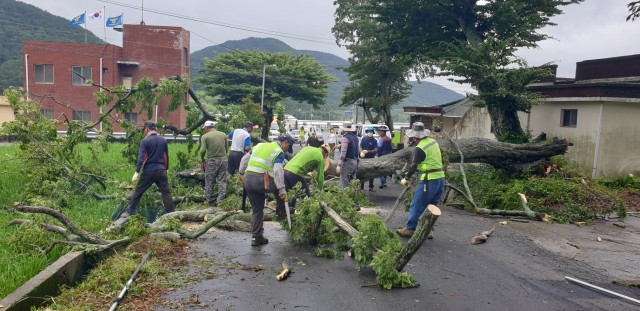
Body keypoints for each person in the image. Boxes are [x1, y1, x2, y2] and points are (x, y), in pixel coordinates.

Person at [239, 135, 291, 246]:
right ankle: (281, 211)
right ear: (285, 142)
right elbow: (278, 172)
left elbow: (244, 160)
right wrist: (282, 190)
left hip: (248, 180)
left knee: (257, 209)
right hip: (261, 182)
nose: (287, 150)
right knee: (281, 185)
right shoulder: (278, 152)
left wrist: (241, 173)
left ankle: (256, 237)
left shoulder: (259, 146)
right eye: (288, 146)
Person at [396, 122, 445, 239]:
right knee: (431, 206)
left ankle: (410, 228)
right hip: (440, 177)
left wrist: (406, 177)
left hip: (429, 179)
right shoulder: (433, 142)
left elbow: (414, 165)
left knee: (417, 204)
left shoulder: (420, 148)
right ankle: (428, 230)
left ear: (414, 136)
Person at [121, 121, 174, 218]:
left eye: (144, 130)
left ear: (147, 129)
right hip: (161, 170)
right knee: (166, 192)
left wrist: (137, 172)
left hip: (149, 170)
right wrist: (166, 169)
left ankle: (129, 211)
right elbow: (166, 156)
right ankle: (171, 213)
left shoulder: (145, 141)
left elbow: (141, 158)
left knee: (138, 191)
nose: (144, 132)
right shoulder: (163, 140)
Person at [280, 144, 330, 214]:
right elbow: (320, 177)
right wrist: (320, 191)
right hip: (295, 173)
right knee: (305, 196)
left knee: (291, 196)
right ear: (326, 154)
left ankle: (288, 217)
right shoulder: (321, 158)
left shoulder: (307, 148)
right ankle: (304, 216)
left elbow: (302, 162)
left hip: (285, 170)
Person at [200, 120, 228, 206]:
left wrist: (202, 159)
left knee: (209, 180)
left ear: (207, 127)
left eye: (205, 128)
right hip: (224, 160)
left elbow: (202, 150)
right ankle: (221, 201)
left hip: (212, 161)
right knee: (222, 181)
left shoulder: (205, 136)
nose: (204, 129)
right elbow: (226, 147)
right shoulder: (223, 134)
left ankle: (210, 200)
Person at [337, 121, 359, 189]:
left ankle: (344, 198)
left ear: (343, 129)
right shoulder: (355, 138)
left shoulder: (345, 138)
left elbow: (343, 154)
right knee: (353, 184)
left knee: (344, 184)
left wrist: (339, 165)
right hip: (355, 162)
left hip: (347, 162)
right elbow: (355, 148)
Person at [359, 126, 378, 191]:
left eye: (371, 132)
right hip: (363, 159)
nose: (370, 133)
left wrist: (368, 151)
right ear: (367, 132)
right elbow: (360, 145)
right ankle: (361, 187)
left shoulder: (374, 141)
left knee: (371, 173)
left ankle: (371, 186)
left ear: (373, 133)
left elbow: (375, 150)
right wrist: (361, 151)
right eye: (369, 132)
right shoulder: (364, 139)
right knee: (362, 173)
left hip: (371, 158)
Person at [376, 124, 393, 189]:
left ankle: (383, 182)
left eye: (379, 131)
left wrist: (376, 152)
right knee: (385, 169)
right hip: (388, 155)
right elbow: (391, 147)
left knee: (380, 169)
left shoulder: (381, 139)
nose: (378, 132)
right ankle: (383, 182)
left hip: (382, 155)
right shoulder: (389, 139)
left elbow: (379, 148)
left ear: (383, 132)